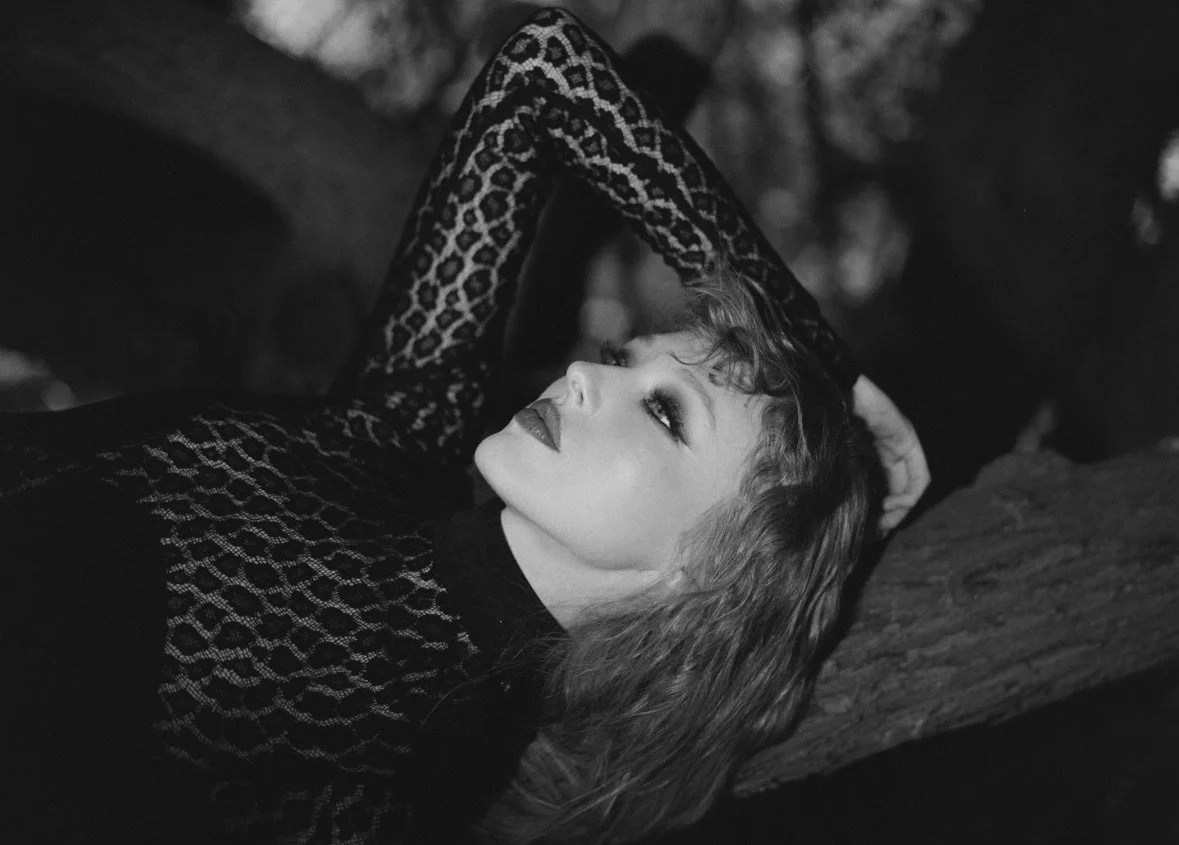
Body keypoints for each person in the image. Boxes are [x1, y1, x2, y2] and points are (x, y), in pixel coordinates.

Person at [0, 7, 927, 844]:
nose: (580, 374)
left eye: (663, 411)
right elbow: (542, 70)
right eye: (622, 361)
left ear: (712, 573)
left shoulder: (380, 763)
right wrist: (823, 364)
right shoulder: (397, 443)